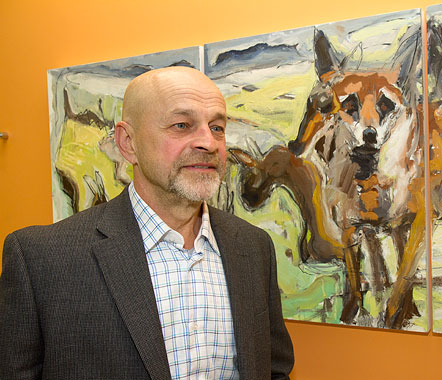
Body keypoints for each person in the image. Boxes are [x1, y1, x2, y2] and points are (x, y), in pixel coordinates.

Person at [0, 67, 294, 379]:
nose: (209, 143)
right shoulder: (42, 260)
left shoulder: (252, 246)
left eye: (218, 127)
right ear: (128, 143)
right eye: (182, 125)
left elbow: (274, 369)